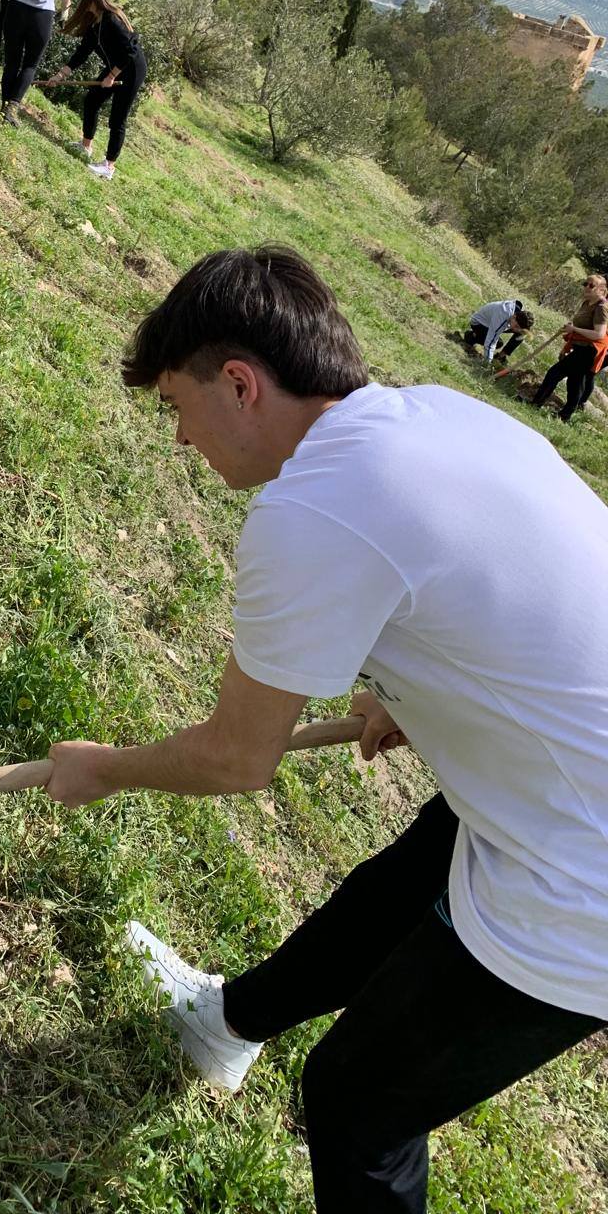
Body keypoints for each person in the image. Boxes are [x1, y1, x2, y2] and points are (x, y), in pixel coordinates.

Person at [42, 245, 607, 1214]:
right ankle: (226, 1023)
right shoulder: (442, 416)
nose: (182, 439)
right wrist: (420, 687)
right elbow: (512, 591)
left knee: (359, 1100)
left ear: (240, 383)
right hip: (578, 792)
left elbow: (234, 758)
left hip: (588, 886)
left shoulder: (315, 509)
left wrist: (104, 766)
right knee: (402, 885)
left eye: (178, 407)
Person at [48, 0, 147, 181]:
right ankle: (86, 146)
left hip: (131, 70)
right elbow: (82, 53)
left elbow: (131, 49)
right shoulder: (95, 24)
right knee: (92, 100)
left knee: (117, 118)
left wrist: (111, 76)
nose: (82, 1)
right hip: (115, 68)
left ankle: (108, 166)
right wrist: (60, 75)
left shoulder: (111, 20)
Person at [529, 273, 608, 421]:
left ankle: (543, 406)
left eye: (591, 285)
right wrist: (568, 343)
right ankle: (562, 414)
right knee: (573, 382)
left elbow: (599, 334)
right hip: (581, 348)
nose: (586, 287)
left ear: (602, 290)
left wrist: (575, 330)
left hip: (590, 351)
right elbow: (579, 326)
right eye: (585, 283)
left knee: (559, 375)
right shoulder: (587, 303)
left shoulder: (601, 308)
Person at [463, 298, 533, 364]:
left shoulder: (519, 315)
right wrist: (487, 363)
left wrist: (520, 330)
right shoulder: (503, 314)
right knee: (498, 343)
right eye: (516, 326)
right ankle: (471, 336)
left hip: (494, 323)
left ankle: (500, 357)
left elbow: (522, 329)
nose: (516, 329)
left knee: (522, 333)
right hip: (479, 323)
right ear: (514, 316)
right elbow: (491, 342)